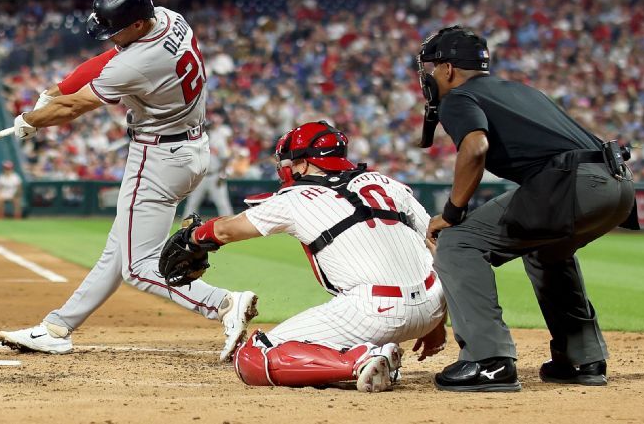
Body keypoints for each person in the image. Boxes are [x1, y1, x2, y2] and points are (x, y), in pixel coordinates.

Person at [0, 0, 258, 361]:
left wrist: (32, 119)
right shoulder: (170, 19)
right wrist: (58, 88)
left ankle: (222, 303)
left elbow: (75, 108)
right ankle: (57, 327)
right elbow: (106, 60)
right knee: (117, 253)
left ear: (137, 24)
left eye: (116, 28)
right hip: (189, 147)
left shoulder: (140, 61)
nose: (111, 35)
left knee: (138, 268)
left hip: (158, 158)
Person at [416, 26, 637, 392]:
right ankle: (582, 359)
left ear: (448, 69)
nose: (428, 77)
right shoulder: (519, 90)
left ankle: (489, 362)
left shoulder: (459, 97)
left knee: (458, 242)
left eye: (430, 68)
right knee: (547, 250)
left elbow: (475, 148)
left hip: (572, 184)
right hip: (618, 183)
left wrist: (451, 213)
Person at [161, 121, 446, 392]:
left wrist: (195, 236)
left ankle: (360, 361)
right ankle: (370, 353)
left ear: (306, 162)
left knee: (252, 358)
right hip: (434, 302)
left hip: (374, 312)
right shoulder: (387, 183)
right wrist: (437, 319)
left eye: (290, 162)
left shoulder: (296, 197)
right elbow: (438, 246)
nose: (286, 169)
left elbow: (226, 231)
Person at [182, 113, 234, 218]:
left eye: (209, 126)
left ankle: (230, 228)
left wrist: (222, 174)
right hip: (199, 176)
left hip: (214, 175)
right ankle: (185, 228)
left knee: (223, 204)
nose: (207, 128)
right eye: (205, 126)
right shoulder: (196, 140)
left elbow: (225, 158)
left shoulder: (218, 140)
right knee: (192, 204)